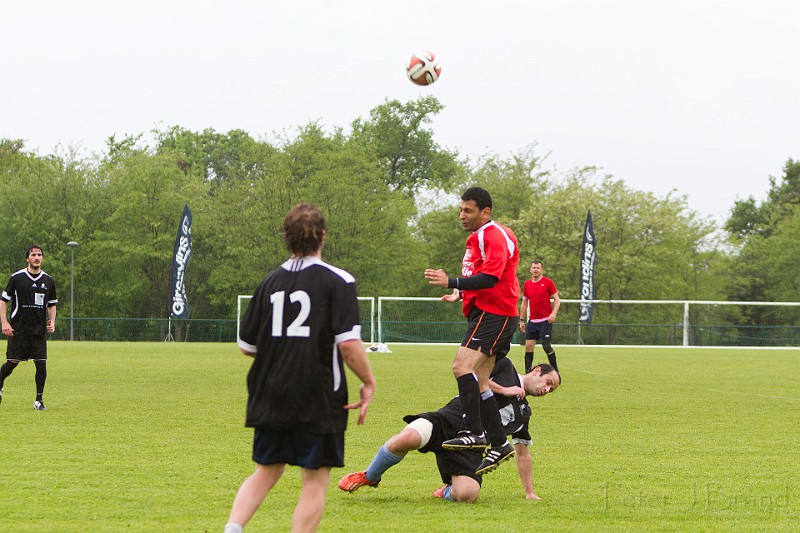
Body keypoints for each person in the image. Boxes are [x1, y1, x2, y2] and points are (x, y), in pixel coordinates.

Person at [224, 204, 377, 533]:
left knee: (266, 470)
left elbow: (247, 346)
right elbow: (349, 346)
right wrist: (368, 381)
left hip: (270, 393)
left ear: (286, 238)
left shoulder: (269, 283)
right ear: (323, 235)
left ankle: (232, 529)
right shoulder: (339, 281)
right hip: (318, 396)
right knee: (314, 481)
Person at [338, 359, 561, 502]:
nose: (547, 389)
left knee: (467, 495)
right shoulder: (505, 367)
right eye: (548, 382)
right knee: (406, 439)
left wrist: (529, 492)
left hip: (470, 447)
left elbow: (522, 453)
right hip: (449, 420)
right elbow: (471, 374)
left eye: (551, 389)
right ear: (537, 371)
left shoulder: (523, 413)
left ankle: (445, 491)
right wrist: (504, 388)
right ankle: (370, 476)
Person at [424, 186, 520, 475]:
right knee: (480, 381)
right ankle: (500, 443)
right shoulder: (479, 237)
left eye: (468, 210)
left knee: (460, 366)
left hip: (495, 314)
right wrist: (462, 294)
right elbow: (480, 276)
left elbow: (491, 277)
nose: (461, 215)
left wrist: (452, 282)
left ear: (485, 212)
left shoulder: (493, 235)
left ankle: (474, 432)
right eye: (460, 209)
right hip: (489, 312)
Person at [0, 245, 58, 411]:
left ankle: (39, 401)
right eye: (33, 255)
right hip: (19, 329)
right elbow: (3, 301)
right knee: (12, 363)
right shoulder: (17, 278)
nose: (37, 257)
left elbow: (52, 304)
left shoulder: (48, 281)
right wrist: (4, 322)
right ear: (28, 258)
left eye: (39, 255)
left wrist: (52, 321)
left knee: (41, 364)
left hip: (38, 330)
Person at [519, 261, 561, 373]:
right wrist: (521, 320)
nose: (536, 269)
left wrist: (553, 313)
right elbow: (524, 303)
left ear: (541, 270)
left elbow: (557, 299)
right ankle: (527, 372)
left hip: (545, 320)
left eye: (538, 268)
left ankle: (555, 372)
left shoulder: (548, 282)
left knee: (546, 346)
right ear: (530, 270)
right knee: (528, 346)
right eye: (534, 267)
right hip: (532, 321)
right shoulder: (527, 284)